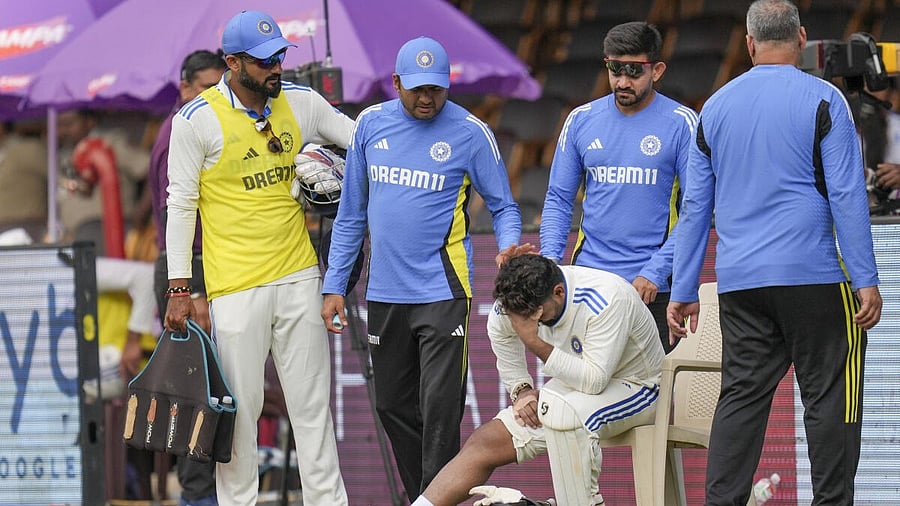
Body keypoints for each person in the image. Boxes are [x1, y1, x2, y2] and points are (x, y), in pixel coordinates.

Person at [666, 1, 883, 504]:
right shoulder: (824, 98)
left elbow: (695, 207)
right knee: (830, 400)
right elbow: (848, 193)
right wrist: (865, 277)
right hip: (814, 278)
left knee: (740, 399)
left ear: (749, 44)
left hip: (741, 284)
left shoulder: (714, 107)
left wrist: (684, 288)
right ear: (801, 38)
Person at [320, 36, 527, 501]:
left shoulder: (471, 132)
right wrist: (334, 286)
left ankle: (433, 500)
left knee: (440, 410)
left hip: (443, 291)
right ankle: (430, 497)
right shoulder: (370, 125)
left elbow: (504, 207)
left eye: (436, 88)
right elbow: (351, 215)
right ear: (396, 83)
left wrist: (510, 246)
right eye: (417, 89)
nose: (427, 98)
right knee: (391, 406)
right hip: (384, 292)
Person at [163, 10, 354, 506]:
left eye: (280, 57)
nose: (277, 68)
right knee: (239, 420)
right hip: (235, 288)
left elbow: (362, 142)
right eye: (265, 61)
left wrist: (342, 168)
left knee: (313, 414)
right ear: (233, 63)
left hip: (299, 277)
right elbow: (180, 206)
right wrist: (180, 287)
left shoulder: (302, 101)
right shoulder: (196, 119)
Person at [410, 254, 664, 506]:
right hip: (574, 388)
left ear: (558, 292)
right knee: (487, 441)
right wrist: (521, 389)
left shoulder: (608, 297)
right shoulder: (516, 300)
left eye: (536, 316)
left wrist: (532, 341)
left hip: (639, 387)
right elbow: (500, 332)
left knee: (563, 416)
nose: (529, 324)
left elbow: (593, 380)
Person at [540, 21, 697, 354]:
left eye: (634, 71)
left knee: (646, 387)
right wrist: (550, 261)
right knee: (583, 382)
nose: (623, 81)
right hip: (587, 285)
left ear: (657, 70)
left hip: (650, 288)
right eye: (615, 69)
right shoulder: (580, 120)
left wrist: (656, 271)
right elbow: (558, 199)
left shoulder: (682, 123)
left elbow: (695, 210)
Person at [149, 49, 225, 506]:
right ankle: (198, 498)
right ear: (185, 87)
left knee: (211, 390)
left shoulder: (198, 126)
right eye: (208, 87)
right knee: (197, 393)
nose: (217, 96)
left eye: (221, 87)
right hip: (186, 269)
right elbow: (173, 214)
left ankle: (204, 495)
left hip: (198, 267)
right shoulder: (181, 129)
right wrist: (190, 289)